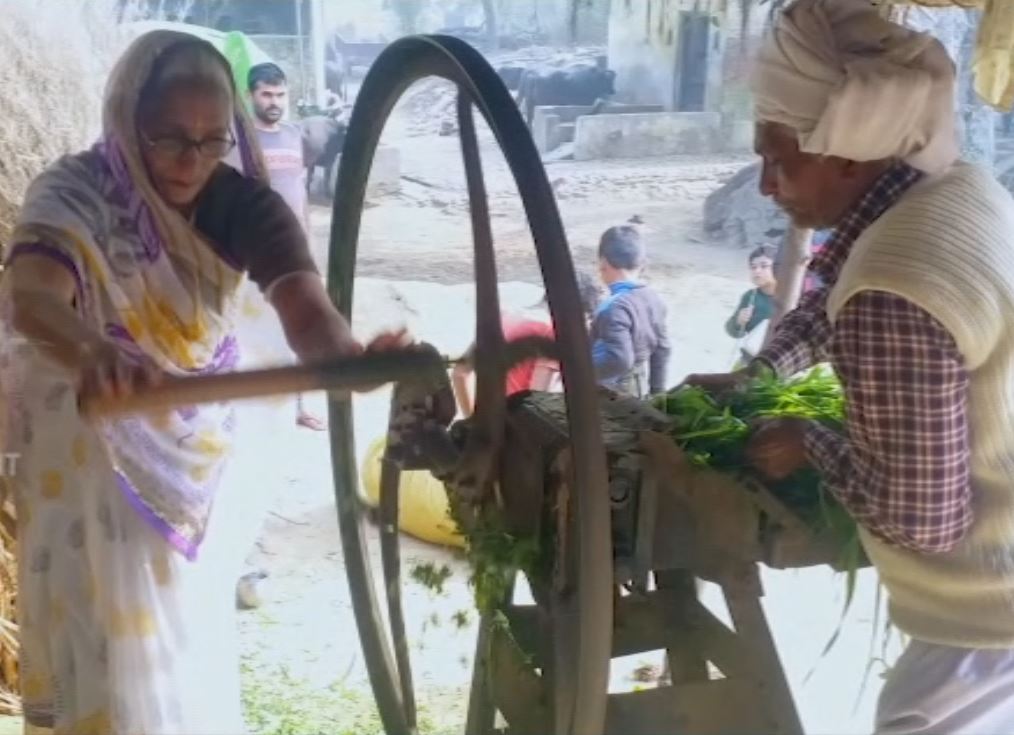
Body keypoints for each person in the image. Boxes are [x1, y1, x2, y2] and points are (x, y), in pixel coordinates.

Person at [0, 31, 404, 734]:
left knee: (178, 630)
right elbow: (33, 296)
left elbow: (305, 308)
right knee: (105, 633)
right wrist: (93, 351)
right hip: (89, 449)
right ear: (129, 120)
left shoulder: (246, 205)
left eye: (213, 140)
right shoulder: (76, 193)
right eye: (170, 139)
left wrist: (348, 357)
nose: (193, 161)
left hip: (191, 456)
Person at [686, 1, 1014, 731]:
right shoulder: (955, 189)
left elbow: (920, 518)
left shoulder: (892, 287)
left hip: (985, 639)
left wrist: (808, 439)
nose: (768, 183)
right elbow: (829, 296)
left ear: (846, 151)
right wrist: (759, 375)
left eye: (779, 155)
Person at [247, 62, 325, 432]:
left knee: (298, 323)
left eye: (280, 94)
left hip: (296, 250)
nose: (274, 102)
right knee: (254, 328)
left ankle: (300, 405)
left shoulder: (296, 137)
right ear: (251, 96)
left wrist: (308, 239)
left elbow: (301, 190)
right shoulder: (242, 141)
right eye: (266, 94)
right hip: (257, 249)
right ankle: (257, 405)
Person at [451, 271, 602, 416]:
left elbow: (459, 373)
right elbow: (538, 402)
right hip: (518, 432)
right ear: (577, 313)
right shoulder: (550, 334)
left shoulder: (502, 316)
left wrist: (471, 418)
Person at [591, 225, 670, 397]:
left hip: (610, 390)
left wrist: (580, 373)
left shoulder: (613, 307)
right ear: (641, 264)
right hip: (637, 383)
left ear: (603, 263)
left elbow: (620, 360)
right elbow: (662, 349)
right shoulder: (654, 299)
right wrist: (658, 392)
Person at [725, 245, 777, 361]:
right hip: (752, 357)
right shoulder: (750, 297)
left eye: (764, 266)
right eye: (753, 267)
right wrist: (738, 322)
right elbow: (733, 332)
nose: (757, 271)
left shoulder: (791, 297)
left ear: (778, 267)